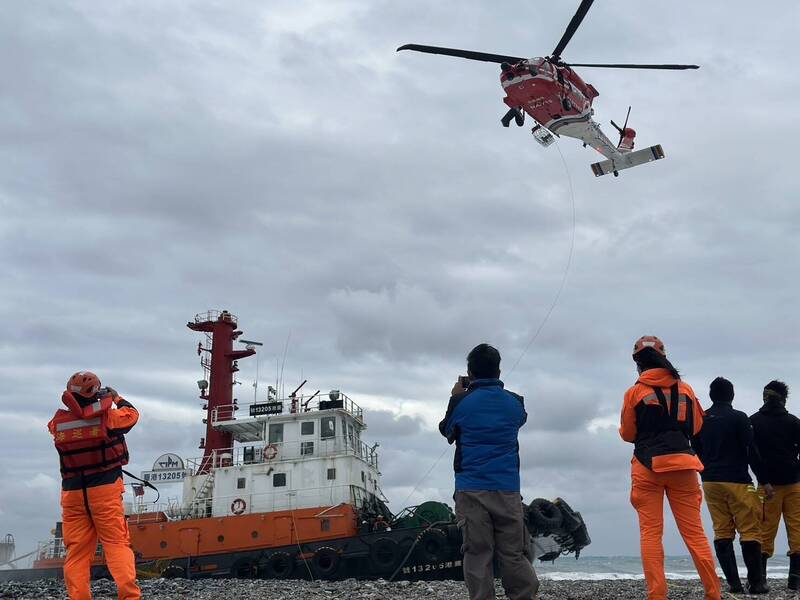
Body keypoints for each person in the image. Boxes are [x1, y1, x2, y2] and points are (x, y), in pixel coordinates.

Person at [619, 336, 720, 600]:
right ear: (664, 357)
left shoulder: (635, 392)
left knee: (651, 533)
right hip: (684, 466)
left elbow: (628, 434)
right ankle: (713, 593)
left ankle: (657, 595)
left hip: (647, 467)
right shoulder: (685, 389)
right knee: (695, 534)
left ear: (637, 362)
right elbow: (697, 427)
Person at [439, 343, 538, 600]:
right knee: (513, 552)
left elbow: (446, 431)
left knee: (478, 552)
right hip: (507, 488)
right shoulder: (516, 403)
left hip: (471, 488)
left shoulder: (461, 402)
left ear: (470, 372)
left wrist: (455, 396)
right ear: (498, 370)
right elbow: (521, 419)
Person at [48, 371, 141, 600]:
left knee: (77, 553)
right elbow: (132, 415)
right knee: (116, 544)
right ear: (95, 392)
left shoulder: (57, 424)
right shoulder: (108, 418)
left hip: (72, 494)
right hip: (105, 491)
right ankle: (129, 596)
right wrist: (116, 398)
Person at [692, 377, 769, 594]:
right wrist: (763, 479)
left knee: (722, 530)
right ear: (732, 395)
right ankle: (756, 583)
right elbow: (751, 451)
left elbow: (694, 447)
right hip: (737, 480)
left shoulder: (701, 419)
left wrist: (704, 469)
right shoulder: (739, 418)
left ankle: (734, 584)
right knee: (750, 530)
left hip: (710, 481)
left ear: (711, 396)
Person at [750, 380, 800, 590]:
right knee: (797, 530)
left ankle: (760, 579)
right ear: (783, 398)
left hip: (767, 486)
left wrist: (764, 480)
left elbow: (752, 455)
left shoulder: (753, 421)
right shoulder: (793, 422)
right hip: (794, 483)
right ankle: (794, 582)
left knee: (764, 531)